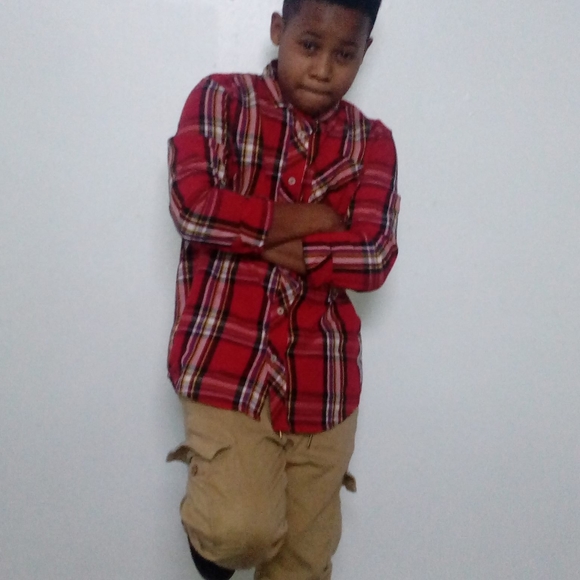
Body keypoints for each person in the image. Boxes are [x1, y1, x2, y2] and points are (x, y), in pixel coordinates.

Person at [166, 1, 400, 578]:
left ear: (365, 52)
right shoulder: (221, 99)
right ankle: (213, 543)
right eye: (309, 45)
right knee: (239, 531)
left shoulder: (372, 142)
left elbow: (373, 257)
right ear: (278, 29)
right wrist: (318, 220)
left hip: (324, 381)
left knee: (303, 564)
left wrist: (248, 230)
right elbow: (195, 208)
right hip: (227, 360)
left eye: (344, 54)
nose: (323, 69)